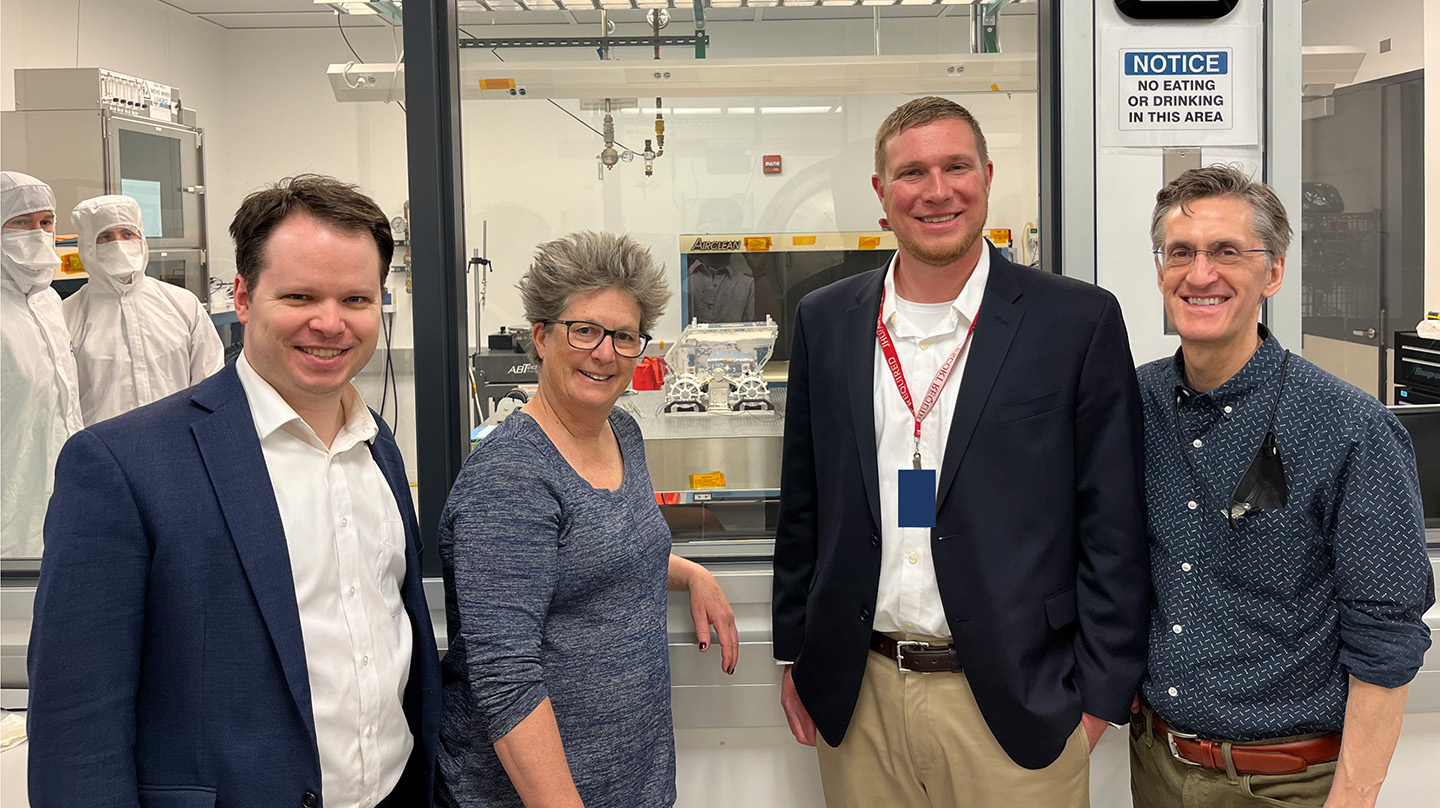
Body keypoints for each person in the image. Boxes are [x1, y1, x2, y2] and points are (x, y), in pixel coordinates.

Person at [772, 96, 1149, 807]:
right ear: (882, 195)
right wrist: (796, 652)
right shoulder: (825, 319)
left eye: (956, 166)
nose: (937, 189)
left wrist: (1097, 699)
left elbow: (1114, 524)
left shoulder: (1075, 320)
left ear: (987, 175)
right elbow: (805, 501)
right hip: (860, 697)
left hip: (1016, 703)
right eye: (911, 172)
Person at [28, 174, 440, 807]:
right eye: (300, 294)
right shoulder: (121, 466)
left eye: (356, 299)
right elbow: (77, 729)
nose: (330, 324)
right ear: (244, 298)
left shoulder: (375, 444)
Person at [1130, 165, 1434, 808]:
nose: (1200, 273)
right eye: (1180, 252)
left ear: (1273, 273)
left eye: (1227, 252)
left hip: (1285, 784)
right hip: (1154, 766)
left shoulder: (1351, 429)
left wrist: (1353, 797)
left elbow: (1387, 633)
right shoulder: (1134, 403)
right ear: (1160, 271)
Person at [437, 230, 739, 808]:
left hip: (632, 781)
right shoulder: (512, 476)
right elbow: (505, 677)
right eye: (585, 330)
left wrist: (690, 573)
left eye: (624, 336)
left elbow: (600, 552)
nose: (605, 353)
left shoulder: (622, 432)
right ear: (541, 337)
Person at [64, 194, 225, 426]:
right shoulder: (67, 316)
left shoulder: (182, 304)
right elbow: (64, 405)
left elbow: (209, 381)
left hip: (178, 441)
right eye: (106, 237)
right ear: (88, 246)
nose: (118, 243)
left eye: (127, 234)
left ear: (141, 238)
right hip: (103, 450)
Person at [0, 171, 82, 559]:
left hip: (60, 494)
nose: (37, 232)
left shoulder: (49, 300)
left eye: (45, 222)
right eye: (20, 222)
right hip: (9, 508)